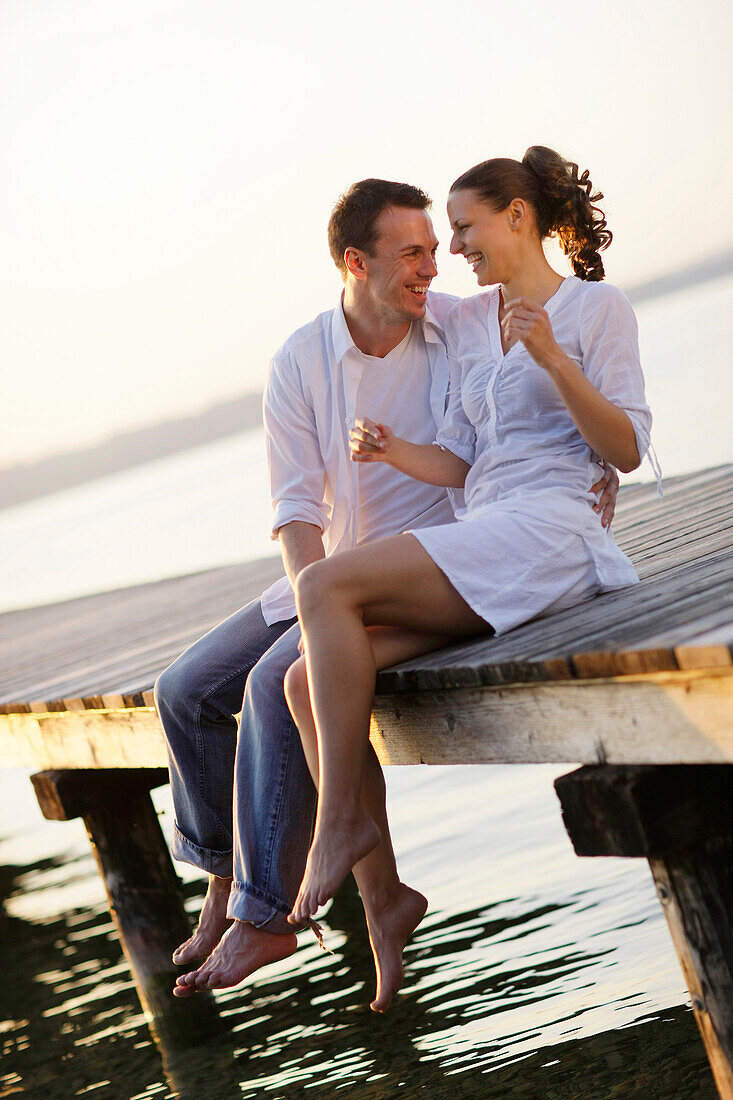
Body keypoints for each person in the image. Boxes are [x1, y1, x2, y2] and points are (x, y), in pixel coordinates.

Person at [155, 174, 619, 1010]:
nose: (432, 268)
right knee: (183, 690)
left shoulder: (457, 321)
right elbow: (295, 513)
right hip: (326, 571)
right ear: (353, 263)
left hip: (425, 563)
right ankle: (225, 888)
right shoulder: (300, 360)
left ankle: (267, 912)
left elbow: (555, 381)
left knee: (277, 683)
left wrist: (585, 469)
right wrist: (309, 600)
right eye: (413, 253)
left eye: (439, 248)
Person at [284, 148, 656, 970]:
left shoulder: (597, 309)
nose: (451, 250)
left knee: (322, 584)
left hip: (551, 531)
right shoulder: (464, 322)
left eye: (461, 229)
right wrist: (391, 450)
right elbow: (461, 462)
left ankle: (337, 819)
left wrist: (554, 358)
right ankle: (385, 897)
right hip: (489, 527)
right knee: (304, 680)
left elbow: (624, 449)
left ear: (516, 218)